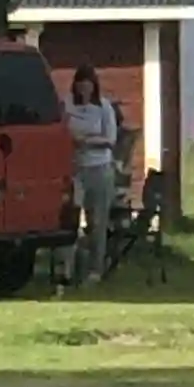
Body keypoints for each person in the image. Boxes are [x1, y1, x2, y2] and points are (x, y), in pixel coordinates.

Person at [63, 65, 119, 284]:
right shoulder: (67, 106)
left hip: (99, 167)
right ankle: (68, 269)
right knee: (71, 218)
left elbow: (110, 140)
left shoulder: (104, 108)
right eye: (80, 83)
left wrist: (87, 142)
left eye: (88, 84)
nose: (83, 88)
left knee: (97, 221)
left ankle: (96, 269)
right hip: (75, 168)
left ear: (94, 86)